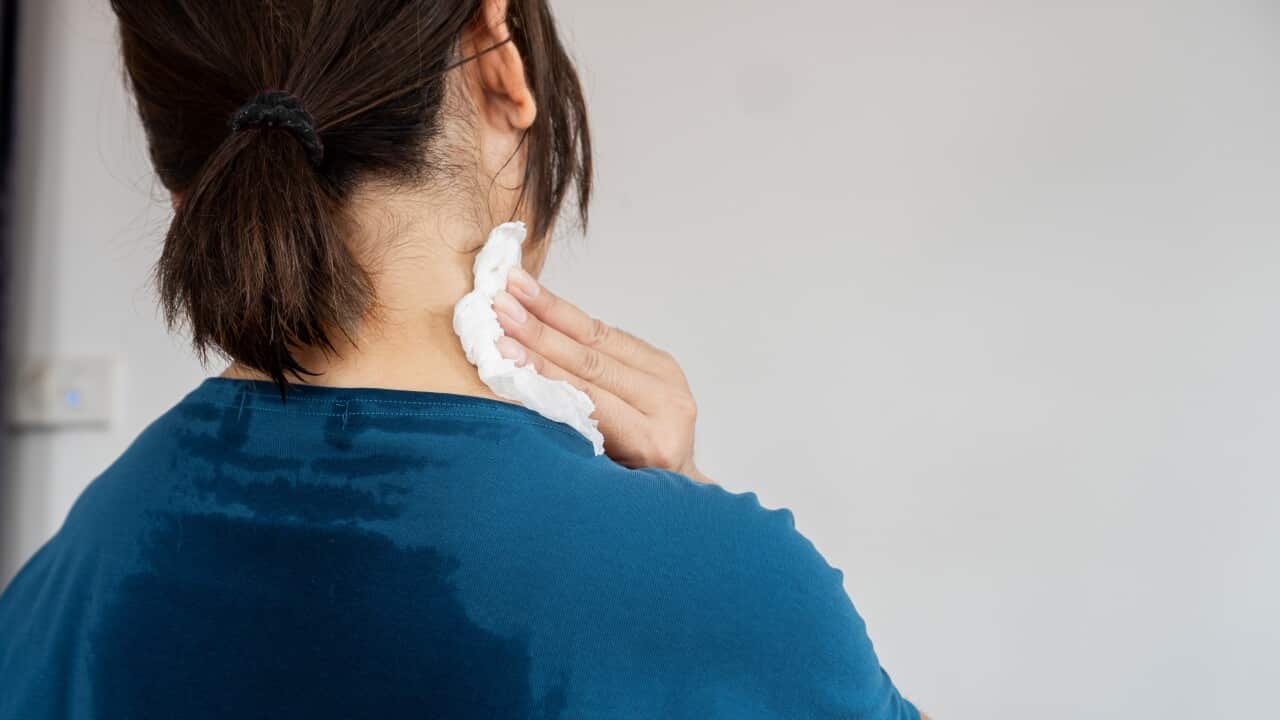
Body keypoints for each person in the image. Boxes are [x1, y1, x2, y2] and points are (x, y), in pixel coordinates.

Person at [0, 1, 922, 718]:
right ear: (502, 56)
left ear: (179, 172)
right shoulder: (726, 591)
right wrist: (686, 511)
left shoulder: (62, 581)